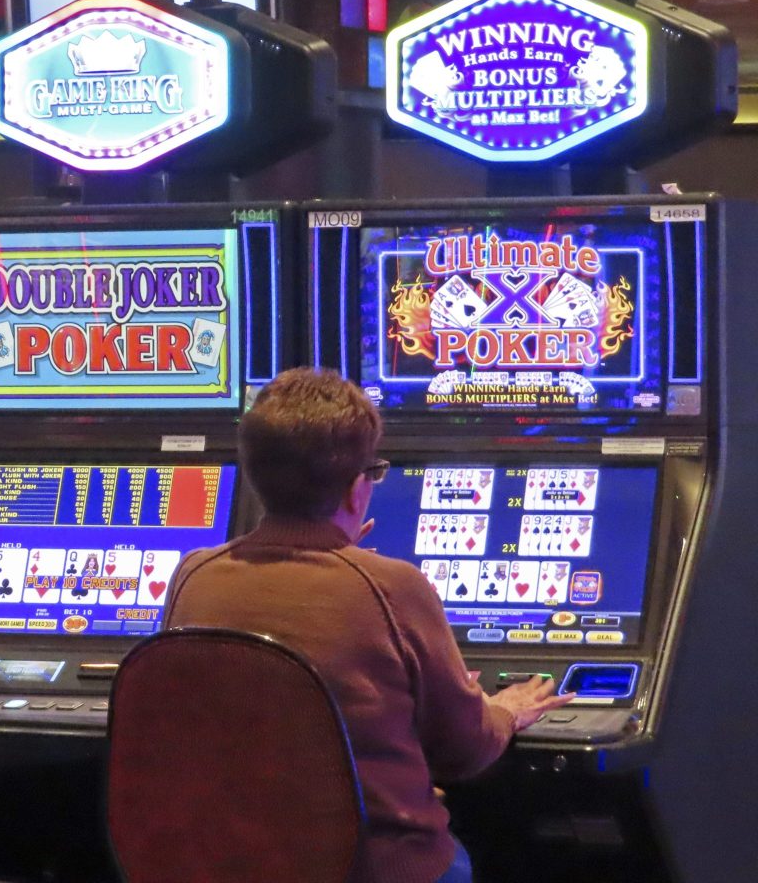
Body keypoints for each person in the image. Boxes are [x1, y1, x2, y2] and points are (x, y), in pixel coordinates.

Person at [163, 368, 572, 883]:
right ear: (357, 488)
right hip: (374, 868)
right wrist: (503, 711)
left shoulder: (192, 576)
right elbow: (463, 751)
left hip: (232, 864)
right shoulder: (391, 587)